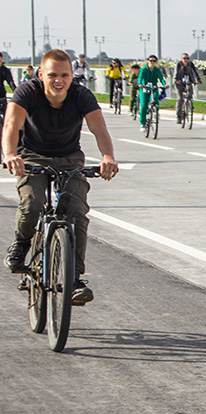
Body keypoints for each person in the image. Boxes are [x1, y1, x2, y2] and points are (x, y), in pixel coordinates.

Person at [2, 49, 119, 305]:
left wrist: (108, 156)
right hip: (31, 156)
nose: (59, 80)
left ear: (71, 76)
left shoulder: (81, 95)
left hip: (69, 157)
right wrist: (10, 154)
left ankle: (74, 279)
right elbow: (11, 124)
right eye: (52, 74)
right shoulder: (27, 92)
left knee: (76, 212)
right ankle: (21, 243)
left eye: (64, 75)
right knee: (32, 204)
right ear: (41, 74)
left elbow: (99, 127)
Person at [137, 55, 167, 128]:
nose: (152, 62)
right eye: (151, 60)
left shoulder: (157, 70)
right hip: (144, 88)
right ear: (148, 61)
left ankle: (156, 113)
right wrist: (140, 84)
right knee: (144, 105)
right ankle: (142, 123)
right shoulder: (144, 69)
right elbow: (140, 78)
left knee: (156, 100)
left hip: (154, 87)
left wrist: (164, 84)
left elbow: (161, 78)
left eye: (154, 61)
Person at [173, 53, 202, 124]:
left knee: (190, 94)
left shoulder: (190, 64)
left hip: (188, 81)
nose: (186, 60)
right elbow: (176, 73)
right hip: (179, 82)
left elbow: (195, 72)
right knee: (180, 98)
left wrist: (198, 79)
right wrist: (176, 79)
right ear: (181, 59)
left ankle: (188, 105)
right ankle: (179, 116)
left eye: (187, 58)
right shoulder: (178, 64)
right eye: (184, 58)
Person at [0, 52, 17, 132]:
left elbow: (10, 82)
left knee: (6, 118)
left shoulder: (5, 70)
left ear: (2, 59)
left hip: (2, 97)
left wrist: (17, 92)